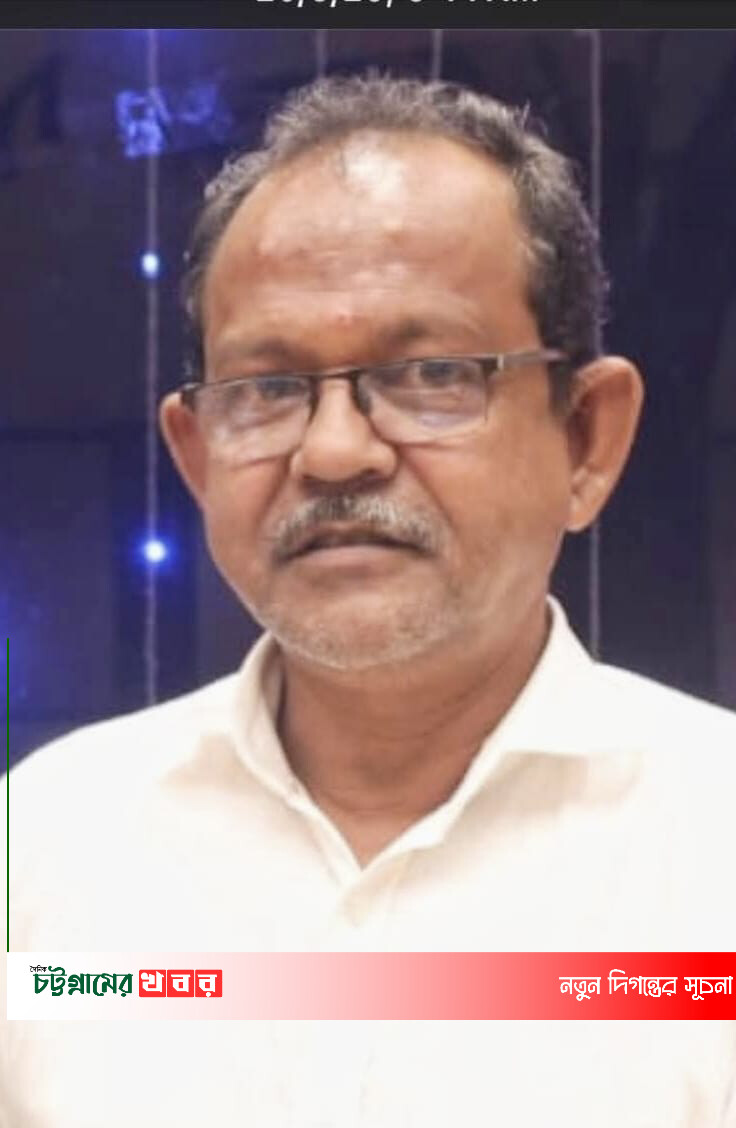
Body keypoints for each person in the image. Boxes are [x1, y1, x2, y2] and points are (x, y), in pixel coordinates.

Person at [3, 74, 735, 1127]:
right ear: (198, 458)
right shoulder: (48, 839)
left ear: (586, 438)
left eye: (431, 373)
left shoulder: (710, 840)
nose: (336, 451)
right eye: (267, 389)